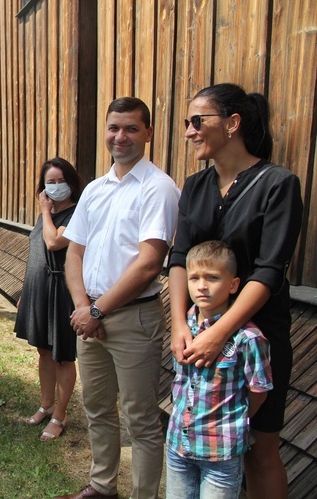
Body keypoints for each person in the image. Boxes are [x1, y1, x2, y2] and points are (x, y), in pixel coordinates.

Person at [167, 83, 303, 499]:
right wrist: (178, 326)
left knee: (260, 450)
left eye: (197, 121)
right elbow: (179, 256)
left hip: (255, 338)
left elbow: (269, 270)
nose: (188, 131)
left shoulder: (278, 184)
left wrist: (220, 332)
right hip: (197, 335)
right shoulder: (195, 185)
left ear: (232, 124)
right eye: (186, 123)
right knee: (206, 449)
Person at [61, 97, 180, 499]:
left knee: (140, 418)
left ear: (148, 133)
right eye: (114, 128)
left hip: (132, 318)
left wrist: (96, 310)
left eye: (131, 128)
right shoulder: (95, 189)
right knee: (97, 408)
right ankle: (101, 486)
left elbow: (149, 264)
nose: (121, 136)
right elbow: (73, 252)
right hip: (89, 316)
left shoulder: (159, 187)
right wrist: (83, 307)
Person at [166, 241, 273, 499]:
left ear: (234, 284)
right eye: (194, 278)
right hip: (178, 445)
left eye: (212, 278)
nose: (201, 285)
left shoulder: (247, 338)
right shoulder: (183, 329)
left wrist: (230, 423)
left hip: (220, 452)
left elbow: (258, 391)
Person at [14, 158, 84, 441]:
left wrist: (45, 210)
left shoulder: (77, 213)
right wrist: (25, 291)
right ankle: (46, 404)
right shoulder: (46, 215)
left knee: (63, 357)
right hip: (39, 288)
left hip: (63, 290)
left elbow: (54, 242)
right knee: (43, 350)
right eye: (49, 182)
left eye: (59, 181)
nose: (55, 187)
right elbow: (37, 252)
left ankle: (60, 415)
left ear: (71, 182)